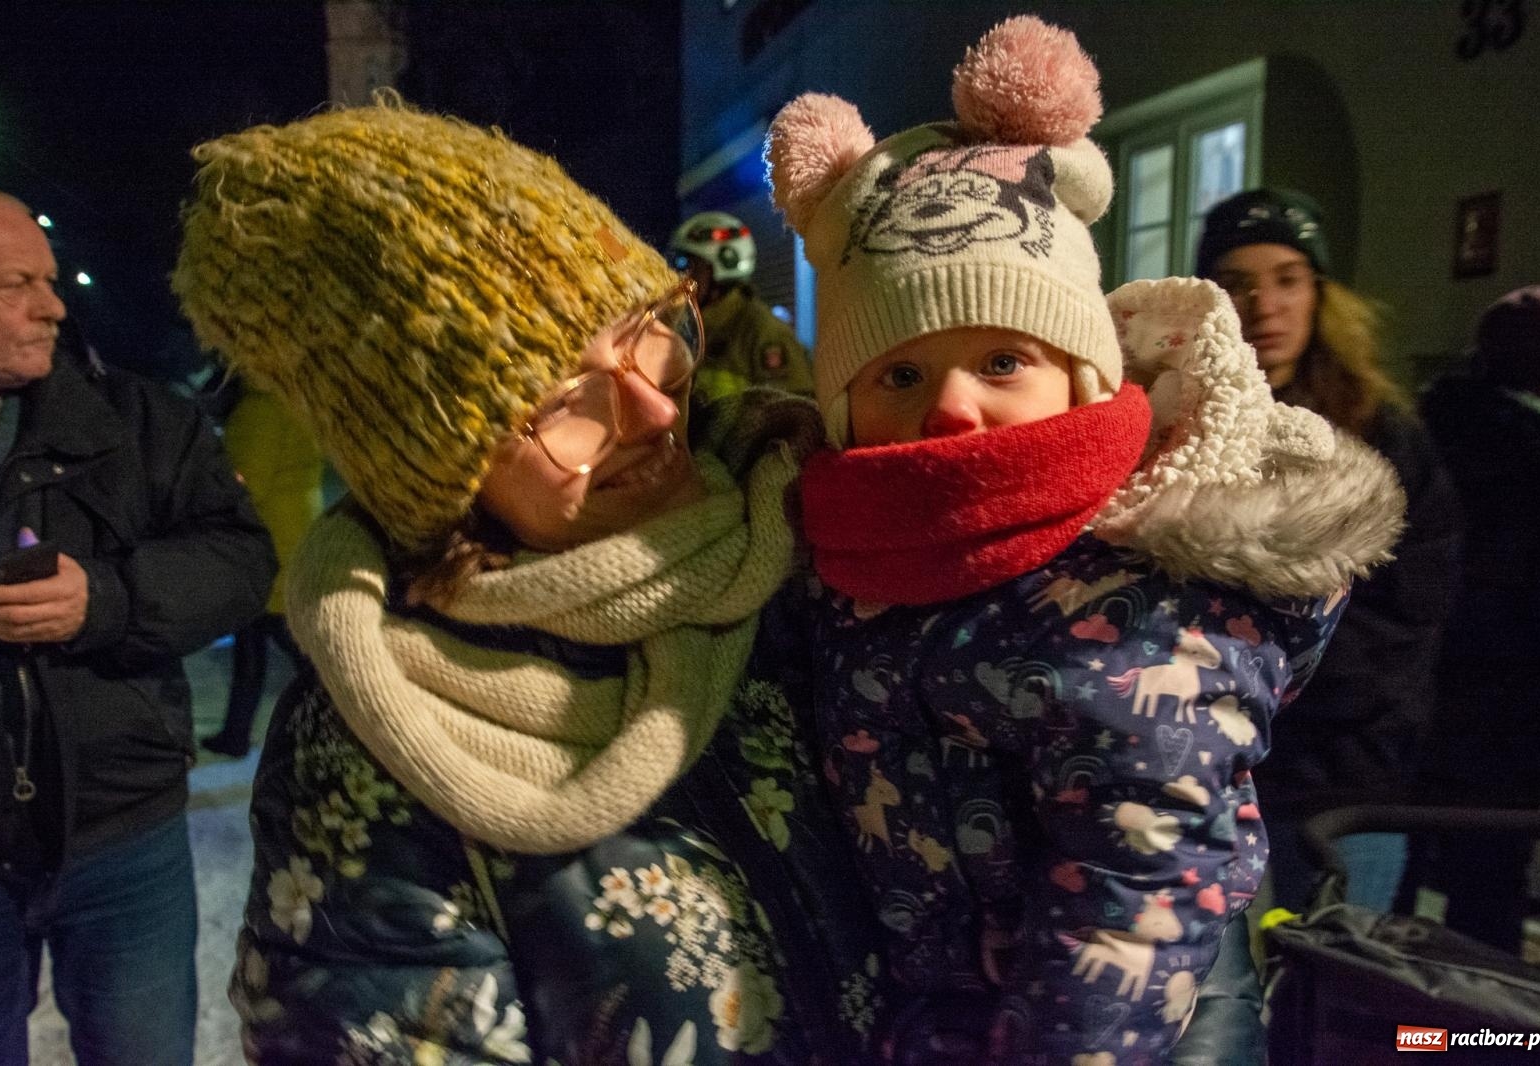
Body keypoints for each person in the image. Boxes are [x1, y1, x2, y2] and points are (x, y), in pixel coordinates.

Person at [173, 100, 883, 1064]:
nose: (648, 405)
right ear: (439, 474)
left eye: (644, 328)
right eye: (560, 402)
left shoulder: (829, 539)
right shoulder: (369, 749)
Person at [765, 17, 1403, 1063]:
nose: (953, 407)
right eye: (898, 374)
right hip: (943, 1014)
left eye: (1004, 358)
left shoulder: (1135, 602)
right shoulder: (855, 566)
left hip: (1135, 1030)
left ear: (1087, 376)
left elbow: (1136, 895)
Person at [0, 180, 276, 1065]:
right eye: (15, 285)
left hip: (121, 838)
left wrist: (104, 601)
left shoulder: (137, 423)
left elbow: (241, 562)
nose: (54, 306)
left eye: (50, 280)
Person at [1196, 188, 1462, 915]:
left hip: (1345, 771)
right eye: (1238, 283)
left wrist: (1279, 675)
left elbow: (1411, 605)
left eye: (1287, 277)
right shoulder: (1180, 430)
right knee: (1215, 1001)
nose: (1265, 304)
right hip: (1205, 763)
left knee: (1337, 980)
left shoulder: (1382, 433)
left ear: (1319, 293)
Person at [1414, 286, 1540, 953]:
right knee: (1489, 892)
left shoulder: (1423, 425)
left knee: (1396, 885)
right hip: (1513, 704)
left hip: (1420, 694)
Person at [201, 382, 326, 758]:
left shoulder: (263, 407)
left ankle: (339, 722)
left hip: (269, 537)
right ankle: (236, 733)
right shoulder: (299, 396)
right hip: (293, 529)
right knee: (253, 639)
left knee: (291, 642)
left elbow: (243, 484)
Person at [671, 211, 814, 402]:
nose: (681, 276)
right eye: (679, 265)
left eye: (689, 265)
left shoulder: (764, 332)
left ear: (723, 267)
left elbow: (797, 417)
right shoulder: (686, 326)